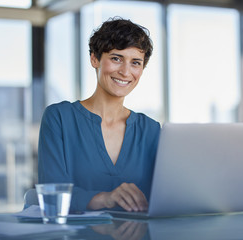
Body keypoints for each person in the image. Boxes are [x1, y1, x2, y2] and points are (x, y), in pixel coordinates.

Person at [38, 17, 160, 213]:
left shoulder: (151, 130)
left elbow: (164, 195)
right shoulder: (59, 118)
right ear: (94, 59)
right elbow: (51, 194)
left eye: (135, 63)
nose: (125, 71)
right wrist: (106, 198)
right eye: (116, 58)